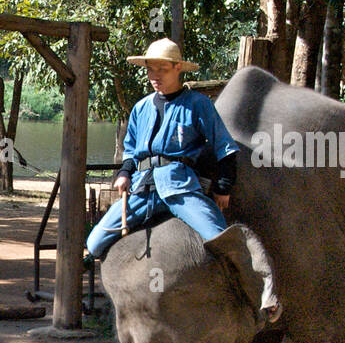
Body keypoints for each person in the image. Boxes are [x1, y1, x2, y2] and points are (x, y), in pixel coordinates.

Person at [85, 38, 240, 260]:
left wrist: (224, 186)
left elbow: (224, 145)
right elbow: (131, 150)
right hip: (143, 189)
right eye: (150, 70)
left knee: (220, 239)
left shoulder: (198, 104)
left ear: (178, 68)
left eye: (162, 69)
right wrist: (124, 173)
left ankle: (247, 285)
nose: (155, 76)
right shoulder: (141, 107)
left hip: (180, 188)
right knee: (94, 243)